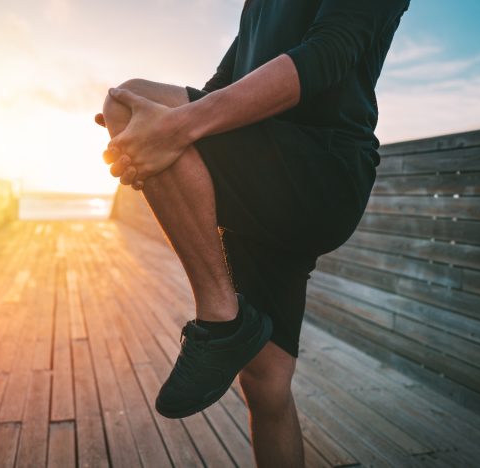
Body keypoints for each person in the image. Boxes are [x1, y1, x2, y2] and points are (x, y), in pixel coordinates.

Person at [96, 0, 410, 465]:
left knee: (139, 105)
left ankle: (221, 318)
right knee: (266, 384)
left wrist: (173, 129)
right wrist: (153, 132)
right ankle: (231, 325)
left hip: (321, 171)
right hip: (262, 161)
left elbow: (328, 53)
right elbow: (222, 88)